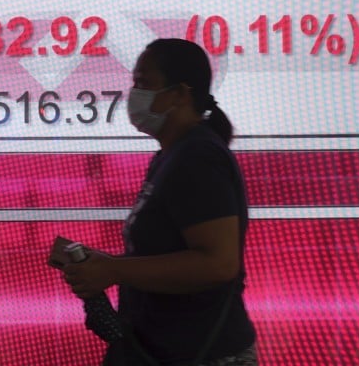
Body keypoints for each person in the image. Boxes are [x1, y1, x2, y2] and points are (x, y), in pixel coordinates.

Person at [62, 38, 258, 365]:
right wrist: (105, 265)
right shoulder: (171, 156)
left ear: (180, 94)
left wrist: (114, 270)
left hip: (203, 354)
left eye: (143, 83)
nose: (133, 94)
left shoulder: (197, 156)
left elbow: (218, 264)